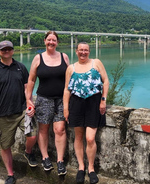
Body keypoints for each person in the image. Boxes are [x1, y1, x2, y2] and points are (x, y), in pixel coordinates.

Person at [0, 40, 37, 184]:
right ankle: (10, 174)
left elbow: (27, 88)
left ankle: (28, 152)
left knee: (32, 136)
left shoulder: (20, 67)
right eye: (3, 49)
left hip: (21, 111)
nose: (6, 51)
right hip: (3, 114)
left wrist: (29, 103)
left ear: (13, 51)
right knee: (5, 145)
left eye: (9, 49)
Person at [64, 42, 109, 184]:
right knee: (78, 136)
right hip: (76, 103)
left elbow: (106, 81)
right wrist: (66, 108)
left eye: (86, 50)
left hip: (93, 103)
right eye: (81, 50)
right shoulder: (71, 68)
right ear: (76, 51)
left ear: (89, 51)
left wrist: (103, 99)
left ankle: (91, 168)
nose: (83, 52)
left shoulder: (96, 63)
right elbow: (67, 89)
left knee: (90, 138)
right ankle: (81, 167)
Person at [25, 31, 70, 175]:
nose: (51, 42)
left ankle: (60, 160)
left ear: (57, 42)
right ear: (44, 41)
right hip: (44, 99)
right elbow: (31, 80)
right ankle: (45, 157)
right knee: (43, 129)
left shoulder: (64, 57)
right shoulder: (38, 58)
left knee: (60, 129)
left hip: (61, 100)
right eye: (49, 40)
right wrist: (29, 100)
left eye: (54, 40)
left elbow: (70, 78)